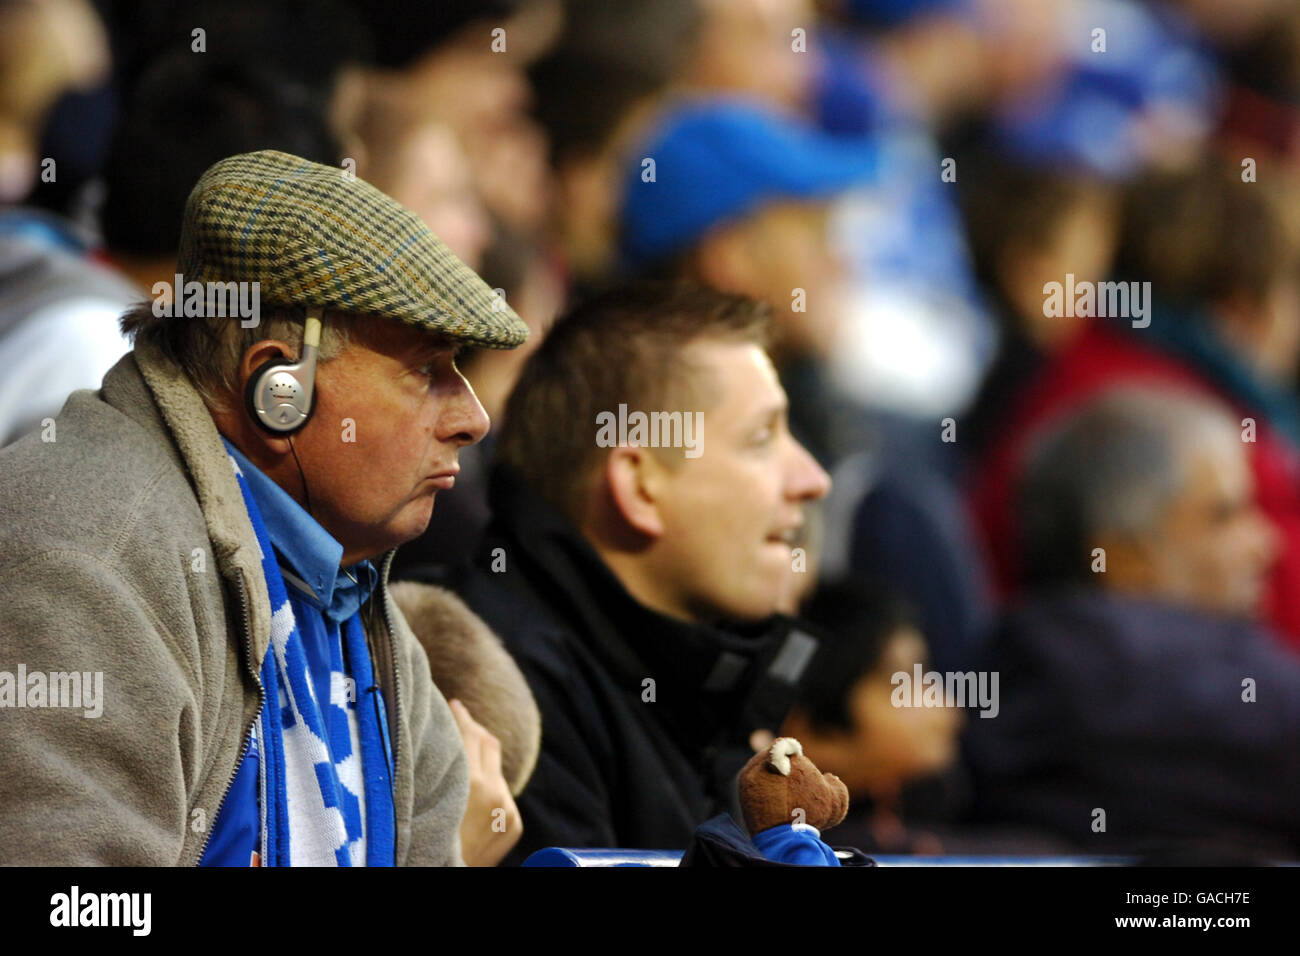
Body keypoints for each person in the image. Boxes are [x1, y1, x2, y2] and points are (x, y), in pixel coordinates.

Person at [0, 149, 530, 865]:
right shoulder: (86, 562)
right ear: (280, 386)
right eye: (427, 371)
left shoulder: (347, 588)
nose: (473, 417)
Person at [415, 280, 833, 862]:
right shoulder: (494, 693)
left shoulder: (690, 677)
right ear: (639, 486)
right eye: (762, 438)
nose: (813, 478)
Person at [966, 386, 1300, 857]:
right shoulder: (1110, 672)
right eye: (1224, 516)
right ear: (1122, 560)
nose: (1266, 543)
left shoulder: (1034, 668)